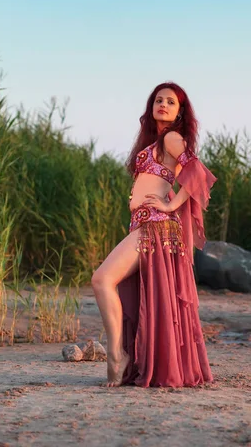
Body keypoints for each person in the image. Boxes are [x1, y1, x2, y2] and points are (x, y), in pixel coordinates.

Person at [91, 82, 217, 388]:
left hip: (157, 225)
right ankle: (126, 356)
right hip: (144, 225)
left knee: (102, 279)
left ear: (179, 111)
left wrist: (171, 203)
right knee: (125, 290)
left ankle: (117, 355)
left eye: (170, 102)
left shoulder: (172, 138)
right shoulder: (153, 144)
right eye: (158, 100)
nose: (162, 104)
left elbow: (197, 174)